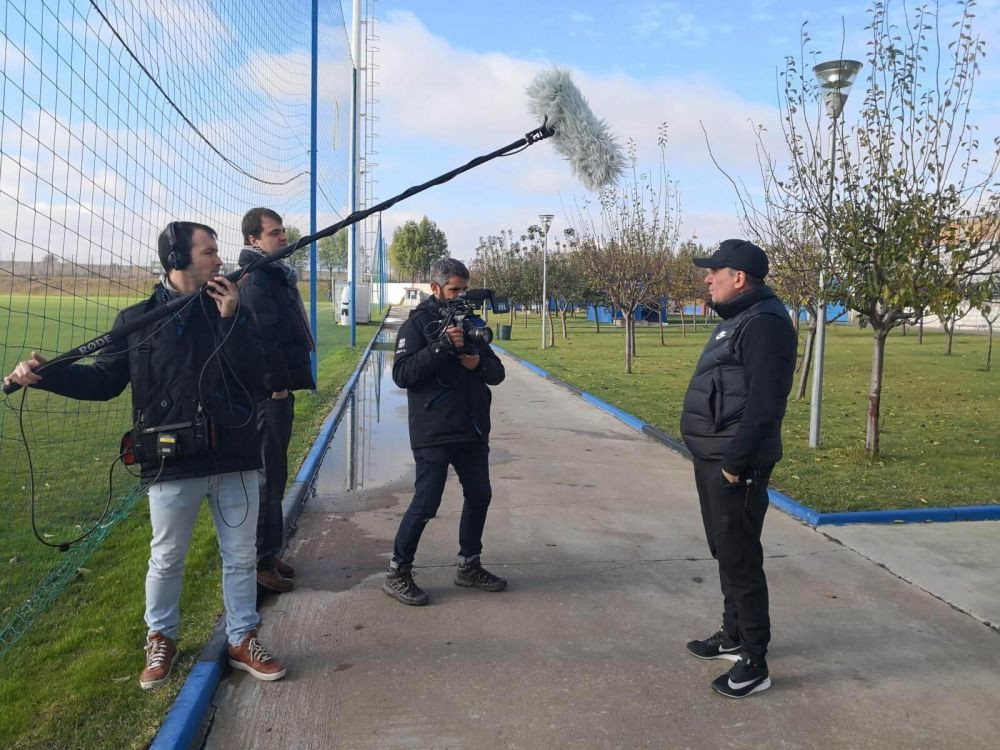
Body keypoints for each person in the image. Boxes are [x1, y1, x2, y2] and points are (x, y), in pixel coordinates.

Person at [3, 222, 286, 689]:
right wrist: (48, 375)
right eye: (209, 252)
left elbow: (259, 381)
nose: (220, 259)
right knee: (166, 558)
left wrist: (231, 319)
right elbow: (103, 381)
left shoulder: (233, 309)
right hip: (171, 461)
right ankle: (161, 638)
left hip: (234, 457)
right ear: (177, 259)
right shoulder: (136, 319)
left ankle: (242, 638)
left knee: (240, 557)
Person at [679, 239, 797, 699]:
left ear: (739, 277)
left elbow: (765, 403)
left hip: (734, 463)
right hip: (714, 456)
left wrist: (734, 463)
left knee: (741, 558)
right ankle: (732, 634)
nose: (708, 278)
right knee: (725, 550)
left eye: (715, 271)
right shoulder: (739, 318)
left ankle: (754, 660)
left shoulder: (764, 323)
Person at [382, 258, 506, 606]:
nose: (461, 295)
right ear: (435, 288)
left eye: (465, 289)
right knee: (426, 503)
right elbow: (403, 375)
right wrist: (441, 347)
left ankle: (469, 565)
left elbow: (497, 373)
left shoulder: (471, 322)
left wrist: (478, 363)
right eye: (454, 289)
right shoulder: (417, 325)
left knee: (479, 495)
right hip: (433, 430)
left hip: (472, 428)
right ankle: (397, 572)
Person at [238, 208, 316, 593]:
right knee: (268, 478)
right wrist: (277, 386)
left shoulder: (273, 273)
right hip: (268, 395)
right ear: (253, 239)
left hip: (277, 391)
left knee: (276, 474)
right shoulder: (256, 277)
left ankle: (269, 551)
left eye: (283, 231)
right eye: (274, 232)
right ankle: (260, 563)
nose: (283, 237)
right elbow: (262, 337)